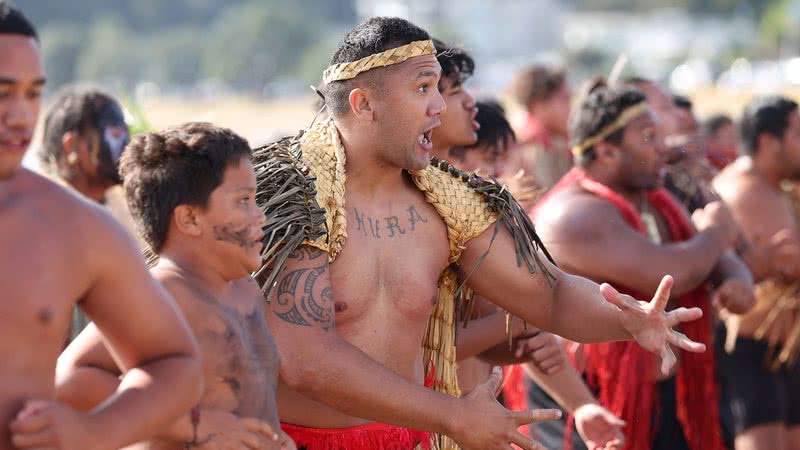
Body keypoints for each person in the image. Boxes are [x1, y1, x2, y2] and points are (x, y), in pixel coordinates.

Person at [255, 17, 709, 450]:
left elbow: (549, 295)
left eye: (438, 87)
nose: (439, 105)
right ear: (363, 104)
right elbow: (306, 360)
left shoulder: (450, 202)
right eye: (422, 88)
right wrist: (451, 415)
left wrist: (625, 319)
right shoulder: (295, 198)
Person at [0, 4, 202, 449]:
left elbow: (174, 363)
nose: (19, 115)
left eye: (33, 94)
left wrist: (93, 431)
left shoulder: (75, 229)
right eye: (2, 93)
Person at [532, 84, 755, 450]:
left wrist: (737, 279)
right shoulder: (573, 214)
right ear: (606, 150)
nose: (663, 148)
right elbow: (673, 271)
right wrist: (718, 230)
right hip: (593, 400)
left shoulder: (656, 199)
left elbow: (709, 256)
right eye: (649, 137)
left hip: (662, 396)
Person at [56, 122, 302, 449]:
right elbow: (69, 379)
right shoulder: (164, 293)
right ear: (189, 219)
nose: (261, 217)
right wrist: (193, 424)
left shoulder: (245, 289)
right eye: (243, 201)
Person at [450, 99, 626, 450]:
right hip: (430, 420)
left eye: (504, 158)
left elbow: (536, 338)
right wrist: (514, 322)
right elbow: (428, 345)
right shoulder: (430, 229)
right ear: (450, 158)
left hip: (479, 420)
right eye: (489, 158)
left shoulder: (492, 226)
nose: (499, 170)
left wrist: (583, 405)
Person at [713, 96, 800, 450]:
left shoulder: (774, 188)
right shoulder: (740, 191)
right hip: (748, 351)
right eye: (798, 134)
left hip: (783, 350)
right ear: (768, 142)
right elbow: (790, 264)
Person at [38, 84, 135, 340]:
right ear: (72, 147)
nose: (127, 144)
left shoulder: (111, 215)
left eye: (126, 133)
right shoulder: (45, 222)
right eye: (115, 134)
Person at [507, 64, 573, 189]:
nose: (571, 108)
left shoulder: (560, 142)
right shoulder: (530, 150)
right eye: (565, 100)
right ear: (539, 106)